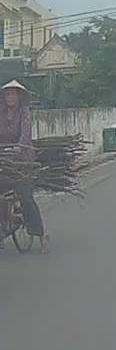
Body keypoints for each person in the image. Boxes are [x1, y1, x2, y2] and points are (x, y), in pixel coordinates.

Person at [1, 79, 47, 252]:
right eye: (7, 94)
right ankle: (3, 227)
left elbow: (25, 135)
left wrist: (18, 147)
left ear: (19, 96)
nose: (10, 97)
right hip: (4, 158)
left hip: (22, 160)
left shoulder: (24, 112)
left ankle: (41, 236)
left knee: (26, 198)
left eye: (13, 94)